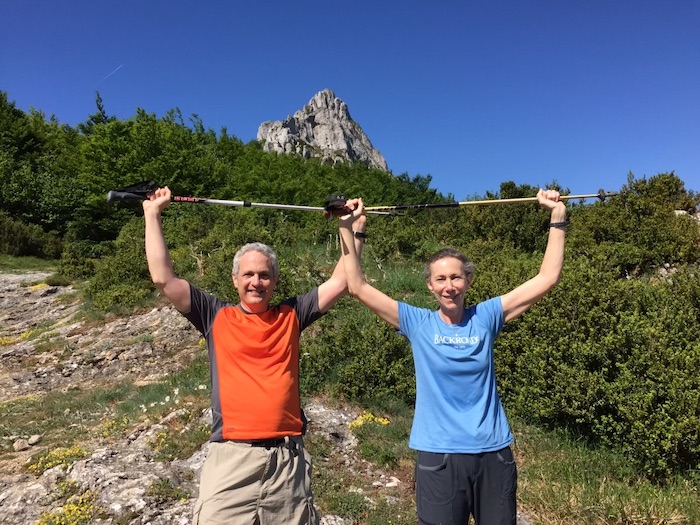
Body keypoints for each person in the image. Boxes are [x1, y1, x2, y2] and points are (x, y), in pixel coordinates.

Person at [337, 190, 567, 525]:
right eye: (441, 279)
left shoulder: (486, 316)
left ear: (468, 281)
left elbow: (547, 278)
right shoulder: (417, 323)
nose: (449, 286)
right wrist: (349, 227)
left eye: (456, 277)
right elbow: (356, 286)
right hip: (439, 456)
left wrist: (557, 216)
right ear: (430, 286)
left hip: (493, 454)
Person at [142, 186, 366, 525]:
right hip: (231, 458)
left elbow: (342, 280)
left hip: (286, 461)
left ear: (275, 280)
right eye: (248, 274)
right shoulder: (214, 315)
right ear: (235, 279)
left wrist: (352, 228)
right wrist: (152, 214)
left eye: (264, 275)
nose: (256, 282)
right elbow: (163, 278)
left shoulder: (293, 314)